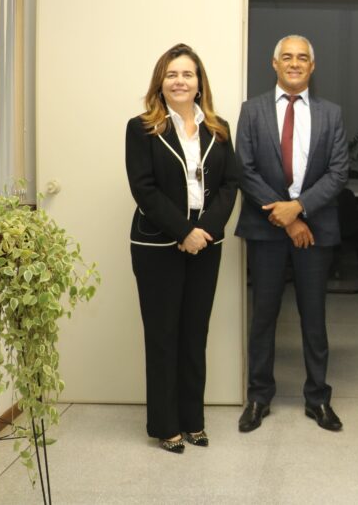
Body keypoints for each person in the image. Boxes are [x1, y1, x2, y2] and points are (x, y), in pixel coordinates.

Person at [125, 43, 240, 453]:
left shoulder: (219, 127)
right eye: (172, 74)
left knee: (195, 332)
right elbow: (144, 189)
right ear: (161, 82)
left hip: (207, 243)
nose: (180, 81)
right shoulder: (141, 128)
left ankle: (193, 419)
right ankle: (165, 424)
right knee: (163, 334)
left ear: (199, 83)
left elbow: (230, 185)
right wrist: (183, 232)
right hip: (157, 244)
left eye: (187, 74)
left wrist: (204, 230)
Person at [234, 34, 349, 433]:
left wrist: (299, 208)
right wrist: (287, 218)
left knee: (313, 318)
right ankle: (258, 397)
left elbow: (338, 172)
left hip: (315, 232)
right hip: (267, 231)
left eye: (303, 58)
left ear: (312, 67)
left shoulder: (331, 113)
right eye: (287, 57)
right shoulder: (252, 111)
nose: (295, 63)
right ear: (275, 63)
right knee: (263, 316)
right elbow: (244, 170)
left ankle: (318, 398)